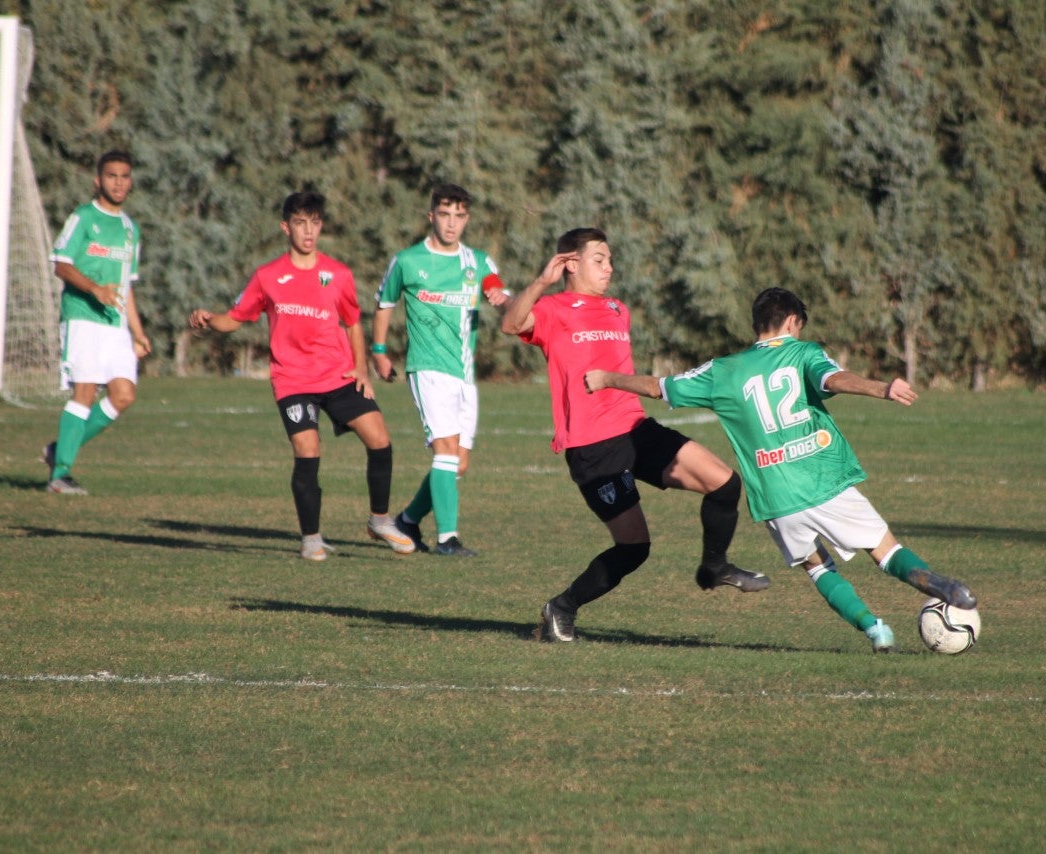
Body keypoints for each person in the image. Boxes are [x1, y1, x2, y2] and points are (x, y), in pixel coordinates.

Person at [583, 286, 979, 653]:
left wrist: (606, 378)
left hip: (776, 497)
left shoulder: (724, 369)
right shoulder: (803, 353)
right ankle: (945, 588)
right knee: (887, 552)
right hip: (822, 478)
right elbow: (835, 379)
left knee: (818, 568)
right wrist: (882, 388)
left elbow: (658, 387)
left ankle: (875, 629)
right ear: (792, 321)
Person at [501, 227, 769, 643]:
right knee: (634, 548)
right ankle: (562, 608)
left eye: (610, 259)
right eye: (599, 260)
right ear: (571, 263)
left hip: (636, 429)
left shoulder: (616, 309)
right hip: (593, 447)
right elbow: (511, 323)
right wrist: (540, 282)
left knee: (725, 482)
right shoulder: (553, 308)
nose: (609, 267)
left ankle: (715, 566)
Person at [188, 191, 414, 560]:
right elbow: (237, 317)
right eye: (300, 223)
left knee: (380, 440)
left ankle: (379, 520)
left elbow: (353, 322)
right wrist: (209, 320)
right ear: (285, 226)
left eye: (315, 223)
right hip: (293, 380)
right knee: (308, 450)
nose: (308, 231)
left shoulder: (337, 274)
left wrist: (360, 367)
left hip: (339, 375)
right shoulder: (267, 277)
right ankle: (311, 537)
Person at [370, 183, 509, 557]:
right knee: (445, 450)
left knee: (457, 463)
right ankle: (447, 539)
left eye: (459, 216)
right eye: (445, 215)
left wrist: (498, 293)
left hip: (464, 374)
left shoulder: (476, 262)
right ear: (431, 216)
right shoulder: (408, 261)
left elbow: (494, 284)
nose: (451, 224)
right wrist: (379, 351)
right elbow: (384, 303)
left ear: (466, 219)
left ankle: (408, 521)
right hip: (427, 369)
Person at [41, 149, 151, 495]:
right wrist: (93, 290)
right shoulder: (83, 217)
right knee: (85, 392)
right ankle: (60, 474)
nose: (118, 182)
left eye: (124, 176)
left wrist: (138, 331)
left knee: (123, 395)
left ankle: (59, 450)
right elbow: (61, 263)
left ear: (130, 182)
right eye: (112, 176)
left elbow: (126, 285)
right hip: (82, 319)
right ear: (98, 180)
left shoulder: (131, 228)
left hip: (115, 325)